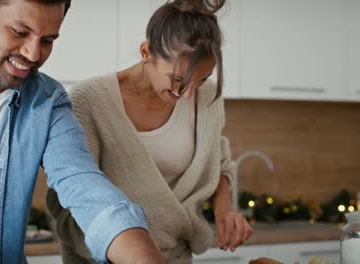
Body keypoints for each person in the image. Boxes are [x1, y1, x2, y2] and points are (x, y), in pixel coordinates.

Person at [0, 0, 165, 263]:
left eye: (47, 40)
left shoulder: (48, 102)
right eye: (19, 32)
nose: (33, 54)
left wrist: (142, 255)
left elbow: (84, 185)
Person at [46, 0, 253, 263]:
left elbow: (218, 163)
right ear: (146, 52)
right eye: (178, 80)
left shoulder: (207, 97)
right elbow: (69, 201)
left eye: (201, 79)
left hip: (177, 256)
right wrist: (131, 247)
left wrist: (225, 211)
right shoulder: (90, 102)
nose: (189, 93)